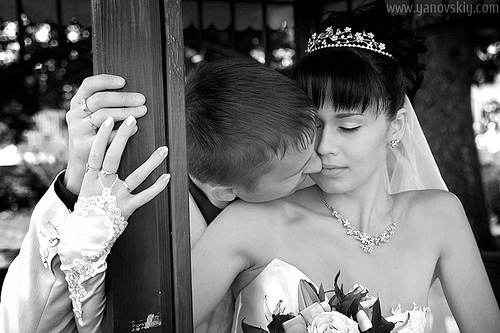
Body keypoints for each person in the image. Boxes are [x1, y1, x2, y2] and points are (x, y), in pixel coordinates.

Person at [190, 2, 500, 333]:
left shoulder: (440, 217)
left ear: (396, 126)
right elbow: (154, 318)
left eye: (349, 127)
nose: (323, 147)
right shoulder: (248, 223)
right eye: (313, 126)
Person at [0, 59, 321, 332]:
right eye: (300, 171)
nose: (319, 164)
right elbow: (26, 324)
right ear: (226, 192)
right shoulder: (136, 216)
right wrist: (75, 182)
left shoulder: (287, 192)